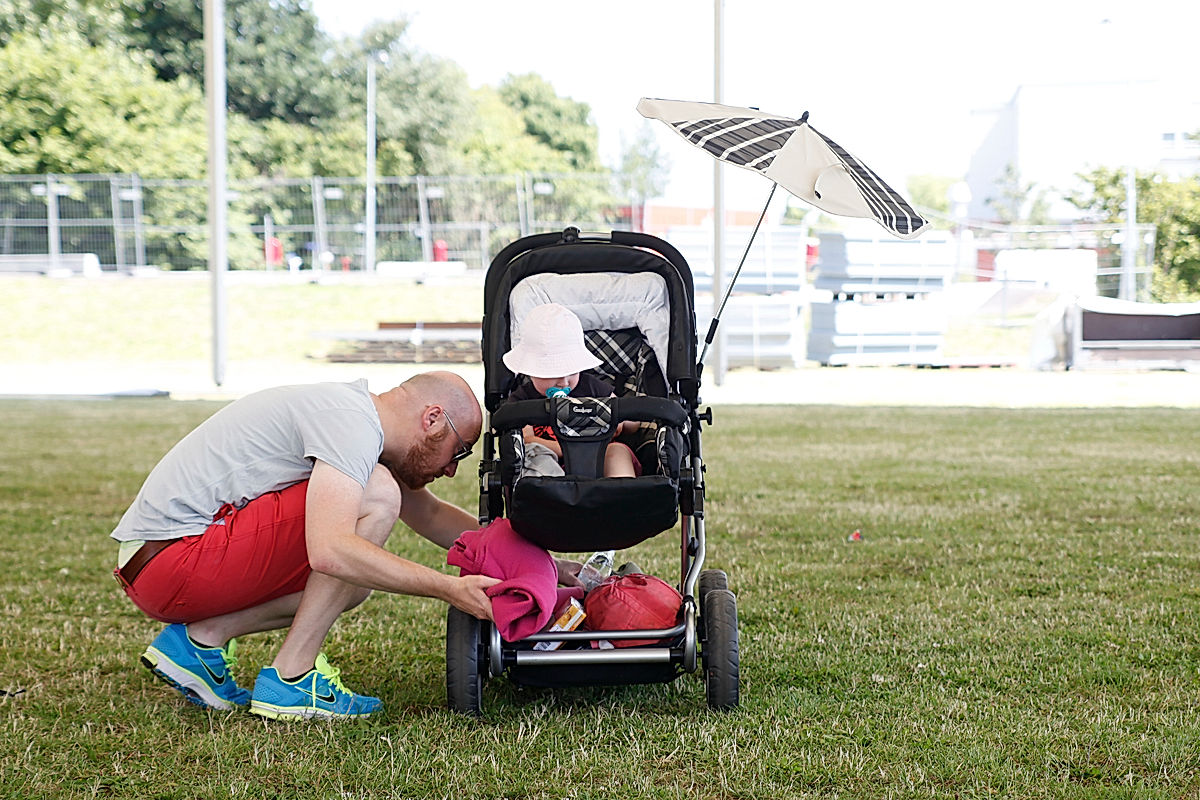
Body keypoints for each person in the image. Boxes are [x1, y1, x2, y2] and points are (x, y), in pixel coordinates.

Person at [111, 371, 573, 721]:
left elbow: (431, 515)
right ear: (432, 418)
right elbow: (330, 550)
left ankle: (199, 641)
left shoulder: (358, 423)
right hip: (173, 559)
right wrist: (448, 589)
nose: (452, 469)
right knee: (373, 500)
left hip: (165, 561)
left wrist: (540, 564)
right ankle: (291, 678)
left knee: (354, 584)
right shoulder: (351, 423)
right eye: (459, 450)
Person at [502, 303, 639, 478]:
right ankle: (554, 499)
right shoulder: (523, 399)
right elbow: (527, 439)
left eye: (572, 371)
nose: (563, 381)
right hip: (554, 467)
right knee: (533, 453)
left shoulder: (590, 386)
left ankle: (623, 496)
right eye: (554, 373)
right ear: (531, 370)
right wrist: (571, 449)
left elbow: (633, 422)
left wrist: (621, 421)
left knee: (617, 451)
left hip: (599, 458)